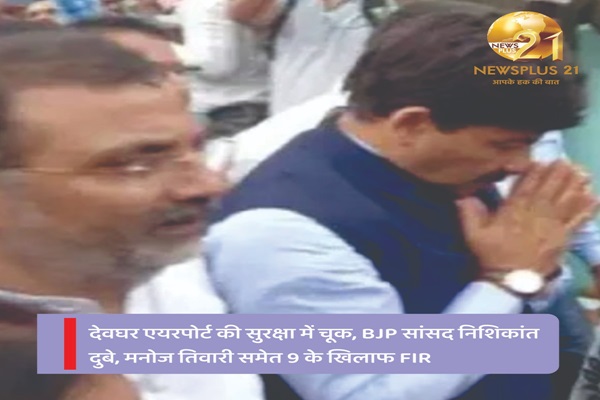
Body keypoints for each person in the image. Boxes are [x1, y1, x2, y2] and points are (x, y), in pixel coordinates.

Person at [205, 3, 597, 400]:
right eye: (504, 145)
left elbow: (511, 320)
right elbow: (371, 391)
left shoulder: (449, 171)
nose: (520, 164)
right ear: (411, 124)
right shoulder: (278, 232)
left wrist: (538, 270)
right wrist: (508, 282)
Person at [174, 0, 269, 139]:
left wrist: (165, 56)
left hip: (232, 109)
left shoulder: (206, 4)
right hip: (245, 103)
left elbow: (214, 65)